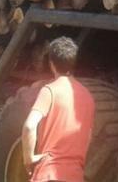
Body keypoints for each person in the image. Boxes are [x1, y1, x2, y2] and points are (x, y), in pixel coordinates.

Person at [22, 37, 96, 182]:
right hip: (75, 176)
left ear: (51, 64)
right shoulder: (88, 98)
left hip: (49, 174)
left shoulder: (49, 91)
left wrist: (28, 158)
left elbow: (29, 126)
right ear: (73, 63)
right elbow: (88, 136)